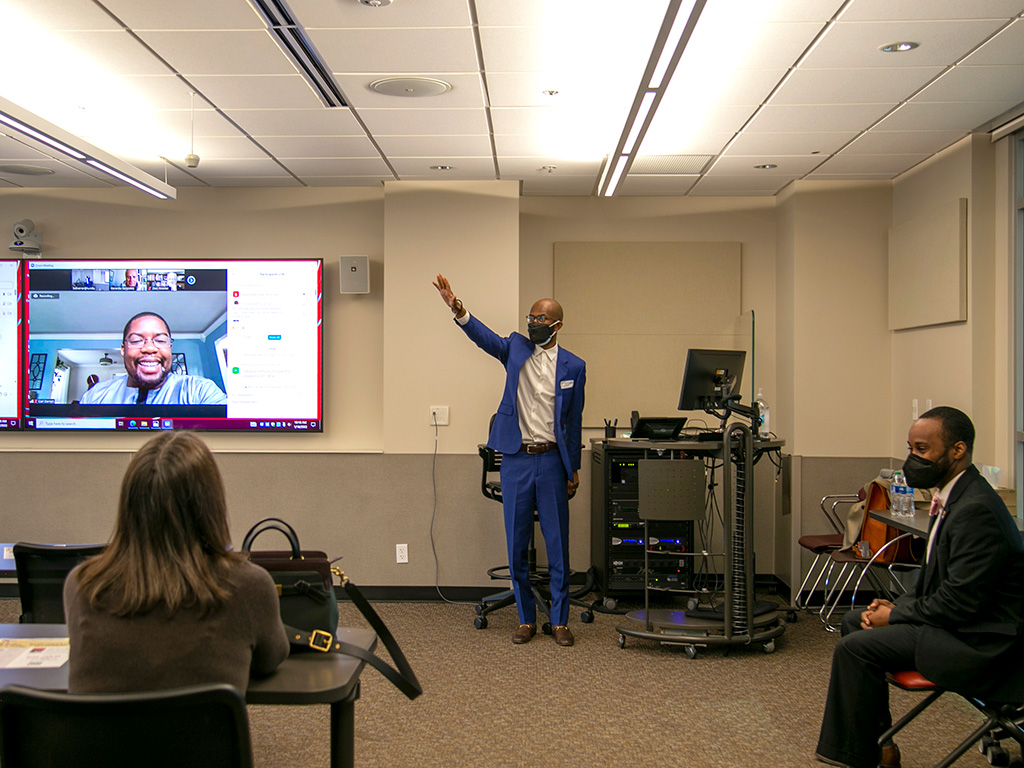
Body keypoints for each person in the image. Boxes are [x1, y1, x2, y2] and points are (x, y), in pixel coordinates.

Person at [815, 406, 1024, 768]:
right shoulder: (956, 496)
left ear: (957, 450)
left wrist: (897, 615)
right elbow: (935, 582)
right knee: (854, 621)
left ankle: (855, 757)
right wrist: (893, 607)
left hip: (983, 642)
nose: (913, 458)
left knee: (855, 649)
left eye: (922, 449)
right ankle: (881, 745)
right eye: (911, 448)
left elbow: (960, 603)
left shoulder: (976, 509)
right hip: (960, 624)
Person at [63, 431, 289, 693]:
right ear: (211, 505)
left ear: (128, 505)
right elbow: (270, 659)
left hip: (103, 723)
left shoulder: (82, 585)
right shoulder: (248, 586)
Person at [433, 273, 586, 647]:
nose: (533, 323)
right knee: (516, 544)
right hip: (516, 459)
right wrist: (458, 308)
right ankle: (526, 619)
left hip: (552, 461)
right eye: (530, 317)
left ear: (557, 325)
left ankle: (560, 621)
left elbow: (574, 421)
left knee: (557, 544)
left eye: (540, 319)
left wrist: (574, 467)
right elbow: (485, 338)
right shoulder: (516, 347)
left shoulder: (575, 366)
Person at [80, 311, 227, 405]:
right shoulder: (95, 396)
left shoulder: (199, 390)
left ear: (170, 347)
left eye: (161, 340)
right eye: (136, 340)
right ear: (123, 350)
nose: (149, 348)